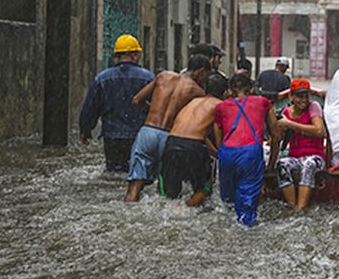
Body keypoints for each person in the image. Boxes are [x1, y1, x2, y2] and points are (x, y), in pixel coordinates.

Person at [123, 55, 211, 202]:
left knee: (134, 187)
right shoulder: (197, 92)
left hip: (148, 132)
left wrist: (152, 112)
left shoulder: (163, 76)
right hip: (170, 138)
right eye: (206, 76)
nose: (205, 81)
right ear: (201, 72)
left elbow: (137, 100)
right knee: (164, 190)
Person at [78, 34, 155, 172]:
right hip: (139, 136)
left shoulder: (101, 79)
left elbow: (90, 108)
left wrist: (85, 129)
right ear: (135, 56)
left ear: (116, 56)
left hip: (112, 137)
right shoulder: (148, 78)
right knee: (137, 175)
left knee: (114, 173)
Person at [214, 73, 280, 226]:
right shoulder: (263, 102)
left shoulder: (221, 107)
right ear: (251, 89)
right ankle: (246, 235)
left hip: (226, 153)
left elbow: (217, 133)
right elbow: (276, 136)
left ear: (230, 91)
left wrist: (221, 153)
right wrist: (271, 164)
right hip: (250, 153)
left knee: (228, 203)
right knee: (247, 206)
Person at [160, 73, 228, 207]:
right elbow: (217, 133)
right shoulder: (221, 105)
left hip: (171, 142)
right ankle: (183, 210)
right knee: (204, 190)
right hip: (194, 147)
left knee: (170, 193)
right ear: (225, 92)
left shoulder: (193, 101)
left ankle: (170, 213)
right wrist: (221, 154)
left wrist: (214, 152)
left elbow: (197, 133)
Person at [275, 78, 328, 211]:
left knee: (308, 164)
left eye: (306, 96)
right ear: (291, 96)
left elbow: (319, 130)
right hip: (295, 158)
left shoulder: (313, 106)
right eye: (299, 96)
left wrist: (290, 124)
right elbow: (278, 138)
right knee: (282, 165)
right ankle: (292, 207)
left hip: (315, 157)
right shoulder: (286, 113)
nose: (303, 100)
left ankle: (300, 208)